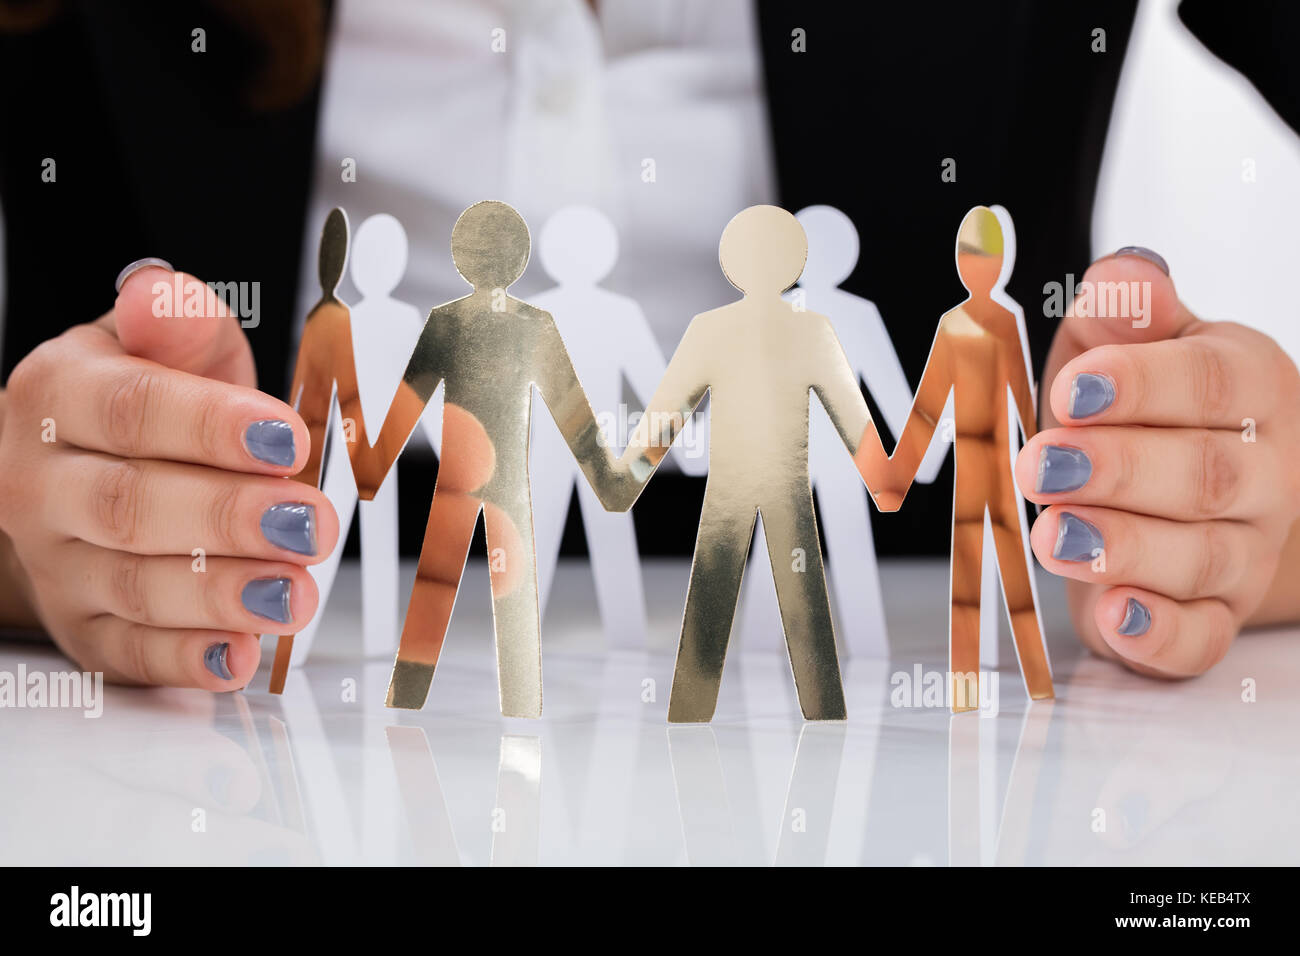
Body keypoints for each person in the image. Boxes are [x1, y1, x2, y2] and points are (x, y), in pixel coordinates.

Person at [0, 0, 1297, 690]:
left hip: (935, 701)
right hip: (289, 685)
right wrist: (44, 523)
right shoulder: (428, 335)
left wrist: (1238, 493)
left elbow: (798, 396)